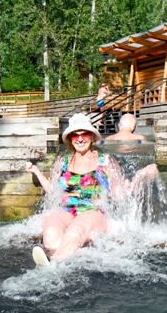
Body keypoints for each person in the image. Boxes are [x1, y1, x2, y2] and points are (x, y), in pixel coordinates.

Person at [25, 113, 155, 266]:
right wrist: (37, 172)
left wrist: (141, 176)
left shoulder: (105, 160)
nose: (80, 139)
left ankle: (55, 264)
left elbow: (120, 195)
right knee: (50, 231)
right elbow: (53, 192)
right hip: (67, 209)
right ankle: (56, 261)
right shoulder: (63, 161)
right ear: (70, 139)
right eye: (75, 135)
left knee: (76, 230)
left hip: (94, 211)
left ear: (92, 136)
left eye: (84, 133)